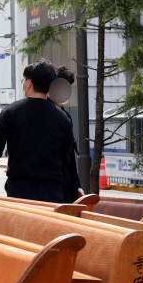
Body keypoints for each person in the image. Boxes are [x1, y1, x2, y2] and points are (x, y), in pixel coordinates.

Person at [0, 59, 73, 203]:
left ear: (29, 83)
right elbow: (66, 159)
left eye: (24, 80)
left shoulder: (11, 112)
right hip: (51, 190)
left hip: (20, 188)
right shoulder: (63, 118)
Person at [49, 65, 84, 203]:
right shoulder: (45, 113)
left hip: (67, 181)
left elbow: (69, 155)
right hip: (52, 183)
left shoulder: (66, 116)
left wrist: (78, 184)